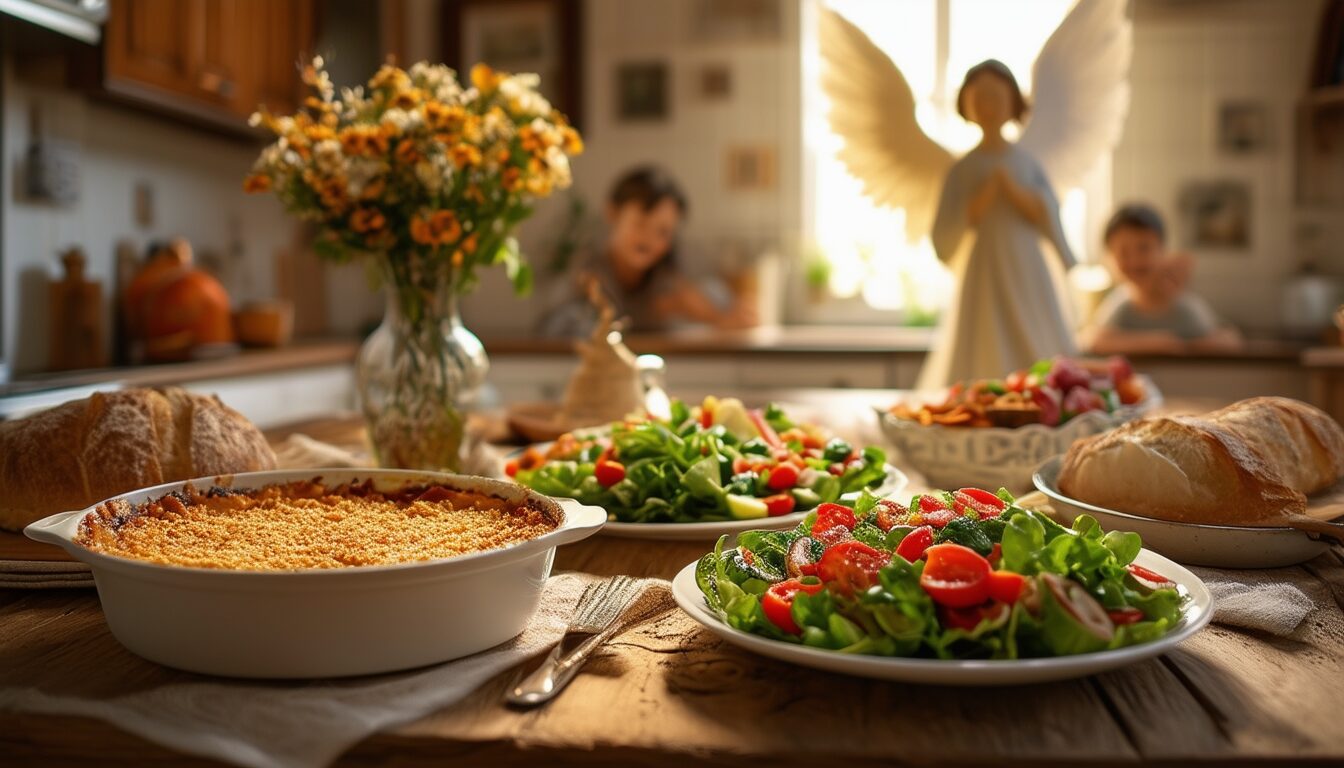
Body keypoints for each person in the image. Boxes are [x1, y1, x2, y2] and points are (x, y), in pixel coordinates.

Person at [916, 60, 1077, 390]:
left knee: (1036, 336)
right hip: (984, 267)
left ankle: (1043, 396)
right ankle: (984, 401)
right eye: (980, 99)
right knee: (984, 336)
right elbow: (946, 227)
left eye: (997, 98)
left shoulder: (1026, 162)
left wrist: (1018, 194)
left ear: (1013, 104)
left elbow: (1047, 208)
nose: (988, 106)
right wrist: (978, 201)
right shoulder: (963, 168)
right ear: (966, 105)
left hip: (1025, 263)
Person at [539, 167, 756, 336]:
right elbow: (552, 333)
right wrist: (653, 311)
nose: (649, 240)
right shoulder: (585, 275)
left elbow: (729, 313)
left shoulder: (673, 276)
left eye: (663, 232)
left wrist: (721, 317)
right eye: (640, 224)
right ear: (613, 214)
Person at [1081, 203, 1243, 354]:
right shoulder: (1120, 308)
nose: (1135, 260)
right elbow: (1092, 340)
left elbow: (1230, 341)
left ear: (1163, 250)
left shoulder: (1186, 309)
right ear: (1110, 257)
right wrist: (1155, 343)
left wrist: (1184, 346)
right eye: (1124, 252)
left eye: (1143, 248)